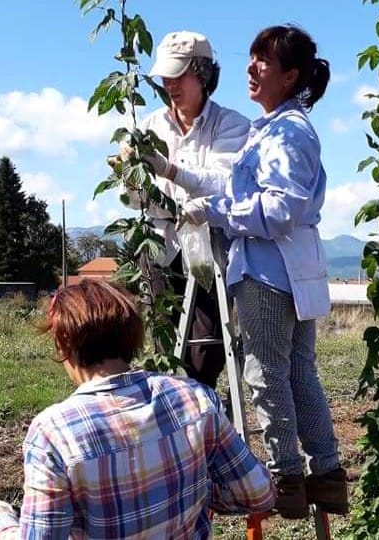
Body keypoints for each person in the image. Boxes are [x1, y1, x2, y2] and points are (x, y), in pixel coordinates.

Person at [0, 280, 275, 539]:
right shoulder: (194, 398)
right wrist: (190, 492)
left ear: (64, 344)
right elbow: (258, 494)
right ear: (131, 336)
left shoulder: (54, 431)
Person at [178, 25, 348, 519]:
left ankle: (286, 477)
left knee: (264, 373)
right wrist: (175, 174)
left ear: (290, 76)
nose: (251, 68)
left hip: (269, 271)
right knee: (298, 371)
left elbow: (278, 210)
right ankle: (327, 472)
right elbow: (231, 182)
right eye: (251, 58)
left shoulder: (288, 133)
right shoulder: (273, 129)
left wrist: (214, 213)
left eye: (264, 63)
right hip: (294, 269)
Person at [119, 30, 250, 389]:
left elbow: (223, 184)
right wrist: (129, 177)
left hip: (209, 247)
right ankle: (175, 409)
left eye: (179, 75)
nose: (169, 85)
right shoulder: (150, 126)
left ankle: (199, 405)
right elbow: (135, 202)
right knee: (163, 335)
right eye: (165, 77)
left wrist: (168, 170)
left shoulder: (232, 126)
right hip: (161, 244)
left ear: (203, 74)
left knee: (207, 346)